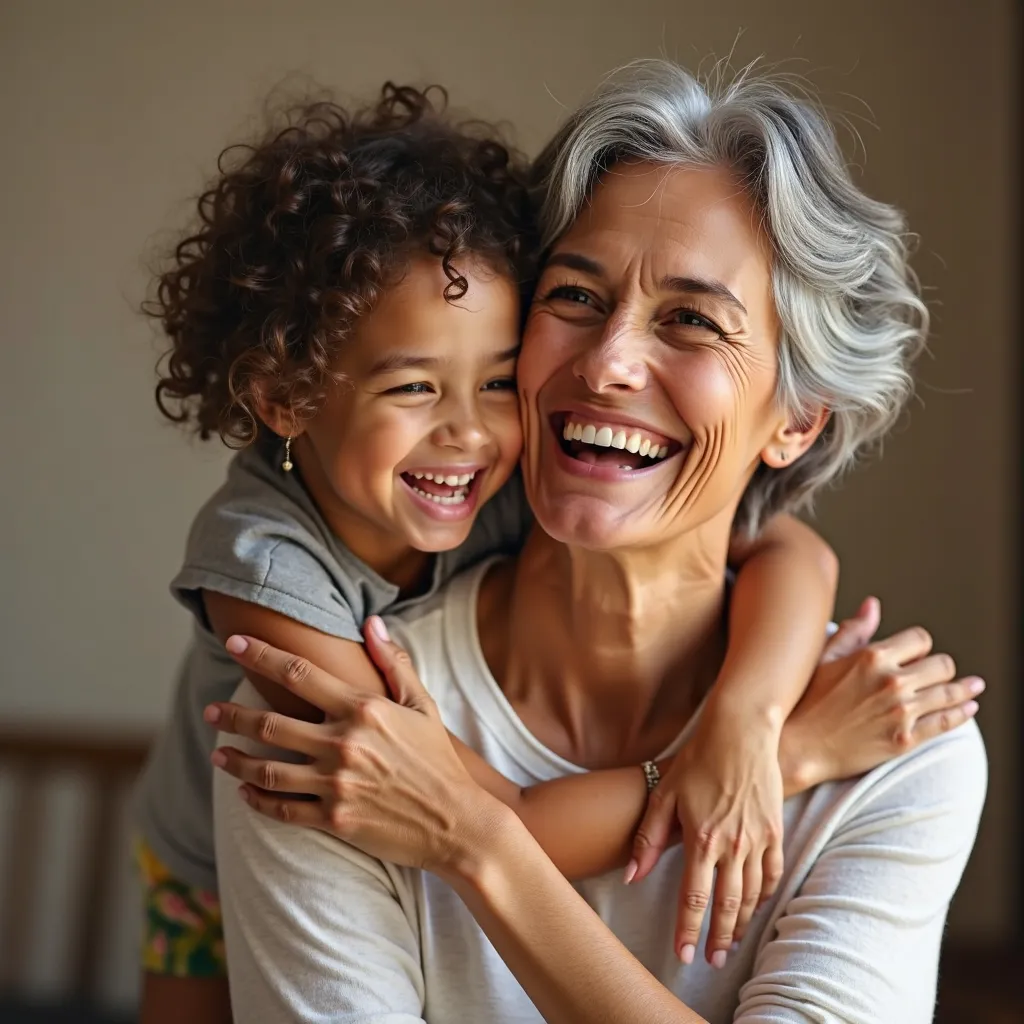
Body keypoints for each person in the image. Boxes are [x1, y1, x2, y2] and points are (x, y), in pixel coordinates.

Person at [207, 61, 987, 1023]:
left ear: (798, 421)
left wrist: (481, 844)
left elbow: (788, 549)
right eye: (575, 296)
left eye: (693, 321)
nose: (610, 362)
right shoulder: (339, 727)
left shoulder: (897, 749)